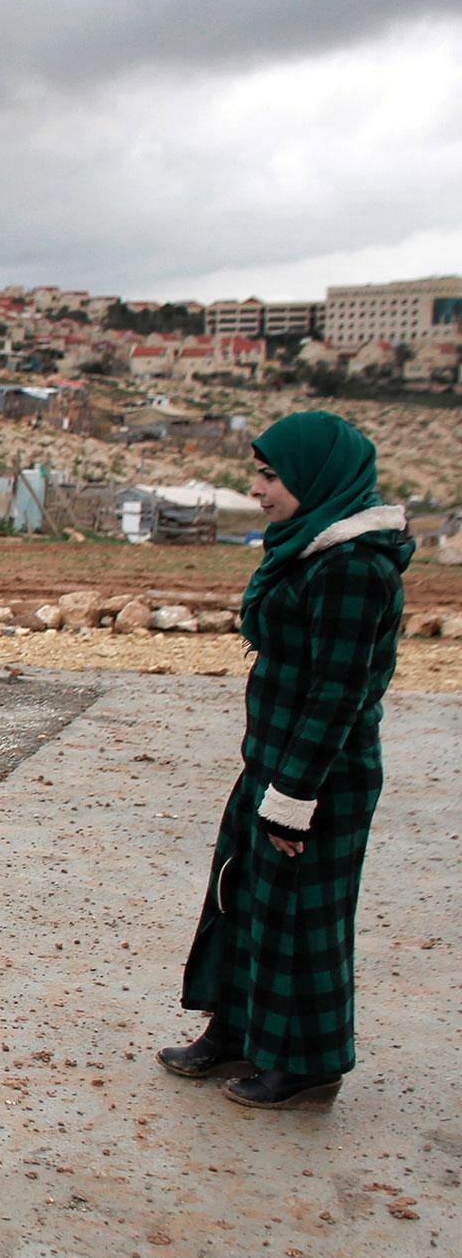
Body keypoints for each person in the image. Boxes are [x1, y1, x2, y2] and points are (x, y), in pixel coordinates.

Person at [160, 412, 413, 1110]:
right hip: (273, 763)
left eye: (270, 477)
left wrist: (293, 799)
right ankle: (240, 1029)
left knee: (303, 917)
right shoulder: (308, 550)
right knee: (245, 896)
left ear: (313, 477)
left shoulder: (354, 568)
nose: (259, 489)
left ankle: (307, 1063)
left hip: (317, 778)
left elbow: (339, 693)